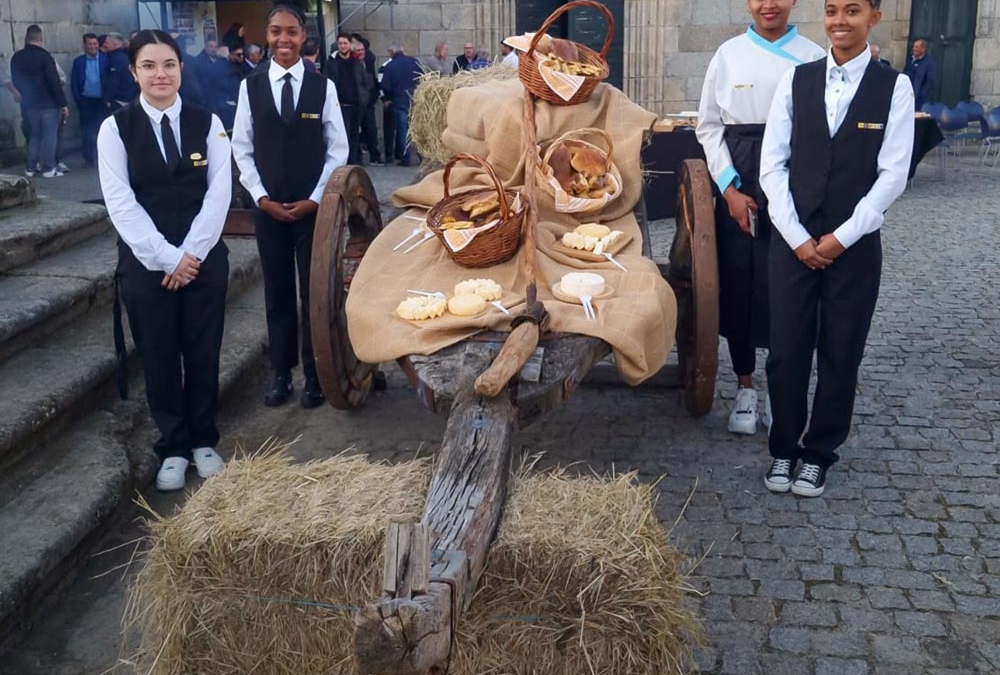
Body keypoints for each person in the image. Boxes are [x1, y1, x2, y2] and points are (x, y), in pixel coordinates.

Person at [759, 0, 913, 497]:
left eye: (852, 10)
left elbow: (892, 176)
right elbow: (772, 166)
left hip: (856, 247)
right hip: (792, 243)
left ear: (874, 17)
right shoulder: (796, 81)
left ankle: (819, 452)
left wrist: (843, 236)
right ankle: (783, 447)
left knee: (841, 351)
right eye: (831, 11)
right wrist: (798, 237)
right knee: (786, 350)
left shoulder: (895, 88)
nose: (839, 21)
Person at [97, 29, 231, 492]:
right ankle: (173, 445)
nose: (160, 74)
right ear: (134, 72)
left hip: (204, 258)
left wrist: (191, 254)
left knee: (202, 348)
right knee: (157, 353)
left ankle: (202, 439)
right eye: (149, 66)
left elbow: (219, 193)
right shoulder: (115, 129)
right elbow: (120, 201)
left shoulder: (207, 122)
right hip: (145, 261)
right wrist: (166, 258)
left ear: (180, 68)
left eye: (169, 64)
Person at [695, 0, 824, 436]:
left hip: (794, 175)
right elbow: (709, 126)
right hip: (742, 172)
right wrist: (729, 189)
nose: (768, 4)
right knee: (739, 281)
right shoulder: (728, 55)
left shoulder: (814, 57)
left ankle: (779, 388)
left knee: (786, 284)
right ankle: (745, 385)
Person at [232, 4, 349, 408]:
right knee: (278, 295)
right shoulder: (251, 86)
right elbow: (241, 147)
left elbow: (338, 149)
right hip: (268, 211)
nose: (284, 40)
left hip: (311, 212)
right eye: (277, 32)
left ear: (304, 37)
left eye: (293, 32)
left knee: (313, 294)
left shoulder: (323, 87)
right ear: (266, 36)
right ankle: (281, 374)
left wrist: (315, 198)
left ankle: (315, 374)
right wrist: (260, 197)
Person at [10, 24, 69, 178]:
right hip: (49, 104)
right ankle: (49, 168)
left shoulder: (17, 57)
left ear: (26, 38)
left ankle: (30, 168)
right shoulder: (45, 57)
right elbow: (54, 81)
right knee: (50, 136)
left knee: (35, 135)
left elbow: (16, 80)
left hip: (30, 104)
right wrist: (63, 104)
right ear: (41, 39)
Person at [325, 33, 370, 164]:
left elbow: (364, 82)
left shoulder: (357, 63)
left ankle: (354, 161)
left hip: (356, 104)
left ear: (350, 45)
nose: (342, 46)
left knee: (354, 134)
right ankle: (343, 162)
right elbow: (327, 81)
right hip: (340, 105)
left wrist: (364, 98)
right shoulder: (332, 62)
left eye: (345, 43)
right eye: (340, 43)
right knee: (341, 136)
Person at [71, 32, 110, 168]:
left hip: (102, 102)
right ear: (84, 45)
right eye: (90, 44)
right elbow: (74, 82)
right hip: (86, 101)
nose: (93, 47)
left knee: (103, 131)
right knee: (87, 132)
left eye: (95, 44)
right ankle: (89, 160)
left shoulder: (106, 59)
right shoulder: (78, 62)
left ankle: (104, 160)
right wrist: (78, 100)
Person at [380, 43, 422, 166]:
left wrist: (388, 98)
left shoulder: (390, 66)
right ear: (403, 51)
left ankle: (406, 158)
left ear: (391, 53)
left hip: (399, 100)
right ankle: (422, 156)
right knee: (417, 129)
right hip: (414, 99)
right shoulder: (414, 62)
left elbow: (385, 86)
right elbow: (422, 77)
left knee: (403, 130)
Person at [352, 39, 384, 165]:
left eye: (362, 50)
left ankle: (374, 156)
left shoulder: (368, 62)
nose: (361, 53)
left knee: (371, 129)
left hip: (368, 103)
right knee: (355, 131)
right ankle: (358, 157)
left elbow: (372, 82)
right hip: (357, 102)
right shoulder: (353, 64)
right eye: (358, 51)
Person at [209, 42, 245, 129]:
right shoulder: (227, 68)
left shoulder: (217, 66)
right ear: (230, 55)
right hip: (228, 103)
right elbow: (230, 86)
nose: (242, 57)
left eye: (243, 54)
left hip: (224, 102)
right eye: (238, 55)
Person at [104, 32, 137, 112]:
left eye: (107, 42)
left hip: (119, 100)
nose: (105, 45)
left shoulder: (117, 59)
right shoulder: (124, 56)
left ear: (114, 44)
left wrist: (108, 99)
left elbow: (113, 80)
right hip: (126, 98)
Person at [378, 49, 400, 163]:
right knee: (392, 129)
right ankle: (391, 154)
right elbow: (381, 85)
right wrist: (384, 99)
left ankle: (391, 154)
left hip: (391, 101)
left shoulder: (385, 66)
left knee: (392, 129)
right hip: (392, 100)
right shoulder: (385, 66)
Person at [904, 38, 936, 111]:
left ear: (923, 49)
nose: (914, 49)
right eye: (914, 47)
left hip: (919, 99)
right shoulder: (910, 60)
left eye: (917, 47)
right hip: (906, 96)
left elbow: (930, 81)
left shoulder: (929, 63)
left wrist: (921, 95)